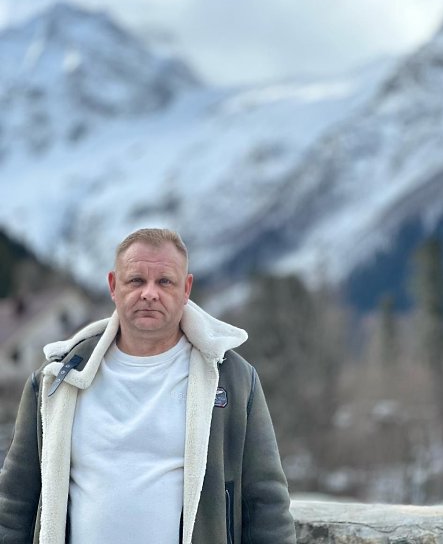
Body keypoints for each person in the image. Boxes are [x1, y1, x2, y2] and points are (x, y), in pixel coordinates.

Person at [0, 228, 296, 544]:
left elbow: (267, 505)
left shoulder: (233, 380)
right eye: (136, 280)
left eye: (165, 281)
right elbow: (14, 504)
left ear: (186, 288)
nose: (150, 293)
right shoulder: (57, 380)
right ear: (113, 285)